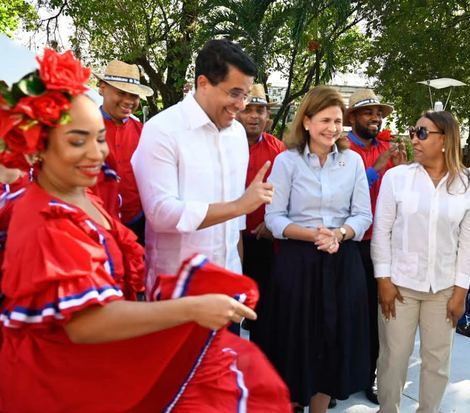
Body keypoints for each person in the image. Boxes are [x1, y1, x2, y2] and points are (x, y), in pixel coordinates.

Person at [0, 49, 290, 412]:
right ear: (38, 145)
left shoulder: (84, 196)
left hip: (190, 309)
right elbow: (85, 324)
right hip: (63, 381)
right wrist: (191, 307)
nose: (95, 153)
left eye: (99, 137)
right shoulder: (46, 216)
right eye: (77, 140)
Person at [255, 86, 372, 413]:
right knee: (296, 344)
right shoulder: (286, 161)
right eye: (325, 120)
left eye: (337, 121)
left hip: (341, 261)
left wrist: (340, 233)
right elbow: (274, 217)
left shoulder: (352, 162)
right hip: (298, 264)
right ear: (306, 121)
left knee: (332, 346)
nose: (333, 128)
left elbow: (363, 214)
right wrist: (313, 236)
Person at [131, 39, 274, 294]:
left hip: (228, 284)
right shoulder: (162, 130)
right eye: (234, 93)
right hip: (179, 290)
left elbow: (235, 225)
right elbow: (161, 214)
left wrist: (238, 276)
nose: (241, 105)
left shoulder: (236, 134)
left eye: (245, 95)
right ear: (203, 83)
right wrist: (238, 206)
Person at [371, 111, 470, 413]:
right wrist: (383, 279)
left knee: (437, 361)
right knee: (393, 358)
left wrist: (461, 293)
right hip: (399, 286)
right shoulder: (397, 178)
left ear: (444, 140)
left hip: (444, 288)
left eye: (422, 133)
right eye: (413, 131)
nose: (413, 139)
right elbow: (381, 230)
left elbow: (469, 242)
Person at [345, 88, 406, 404]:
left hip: (382, 247)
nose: (375, 117)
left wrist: (405, 169)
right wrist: (378, 166)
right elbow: (344, 194)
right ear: (352, 117)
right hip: (349, 243)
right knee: (342, 313)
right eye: (368, 112)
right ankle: (334, 378)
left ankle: (368, 378)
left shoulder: (390, 148)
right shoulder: (342, 149)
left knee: (377, 317)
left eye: (379, 112)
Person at [237, 83, 285, 332]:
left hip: (263, 235)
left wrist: (271, 223)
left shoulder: (279, 150)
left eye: (261, 111)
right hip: (228, 236)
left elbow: (288, 192)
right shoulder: (223, 143)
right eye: (249, 109)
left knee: (263, 310)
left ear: (268, 117)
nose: (255, 116)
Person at [92, 60, 153, 244]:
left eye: (134, 95)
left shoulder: (143, 132)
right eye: (121, 93)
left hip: (137, 223)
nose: (128, 101)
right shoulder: (84, 127)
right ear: (102, 88)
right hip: (96, 222)